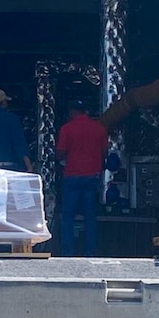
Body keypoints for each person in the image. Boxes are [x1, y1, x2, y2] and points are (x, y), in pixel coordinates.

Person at [56, 100, 109, 256]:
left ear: (72, 111)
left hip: (72, 175)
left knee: (68, 217)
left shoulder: (67, 129)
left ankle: (68, 253)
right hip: (92, 175)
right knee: (90, 215)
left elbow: (60, 153)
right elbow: (105, 153)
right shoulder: (99, 129)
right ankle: (90, 251)